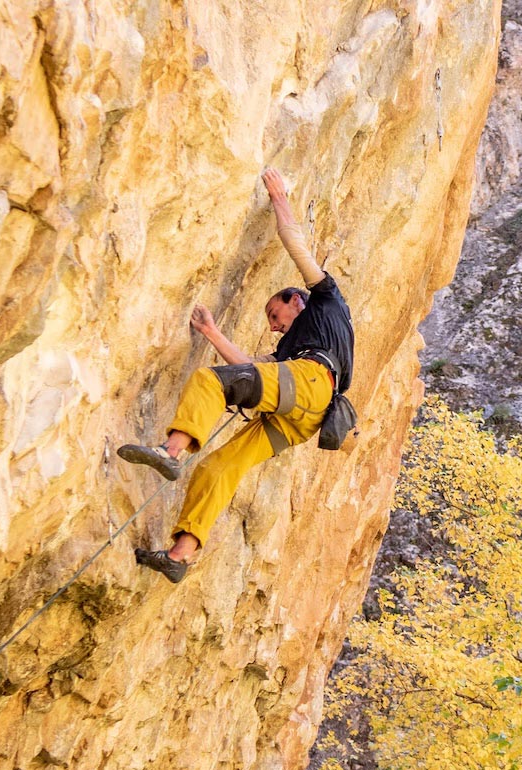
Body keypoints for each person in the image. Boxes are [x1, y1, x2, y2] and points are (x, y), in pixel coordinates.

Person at [118, 168, 355, 583]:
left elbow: (295, 244)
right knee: (218, 468)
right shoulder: (290, 349)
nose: (273, 324)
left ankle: (170, 452)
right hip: (305, 418)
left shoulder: (324, 300)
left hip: (312, 384)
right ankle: (180, 555)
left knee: (212, 382)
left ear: (294, 300)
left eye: (273, 313)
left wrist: (280, 198)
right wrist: (211, 331)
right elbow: (251, 367)